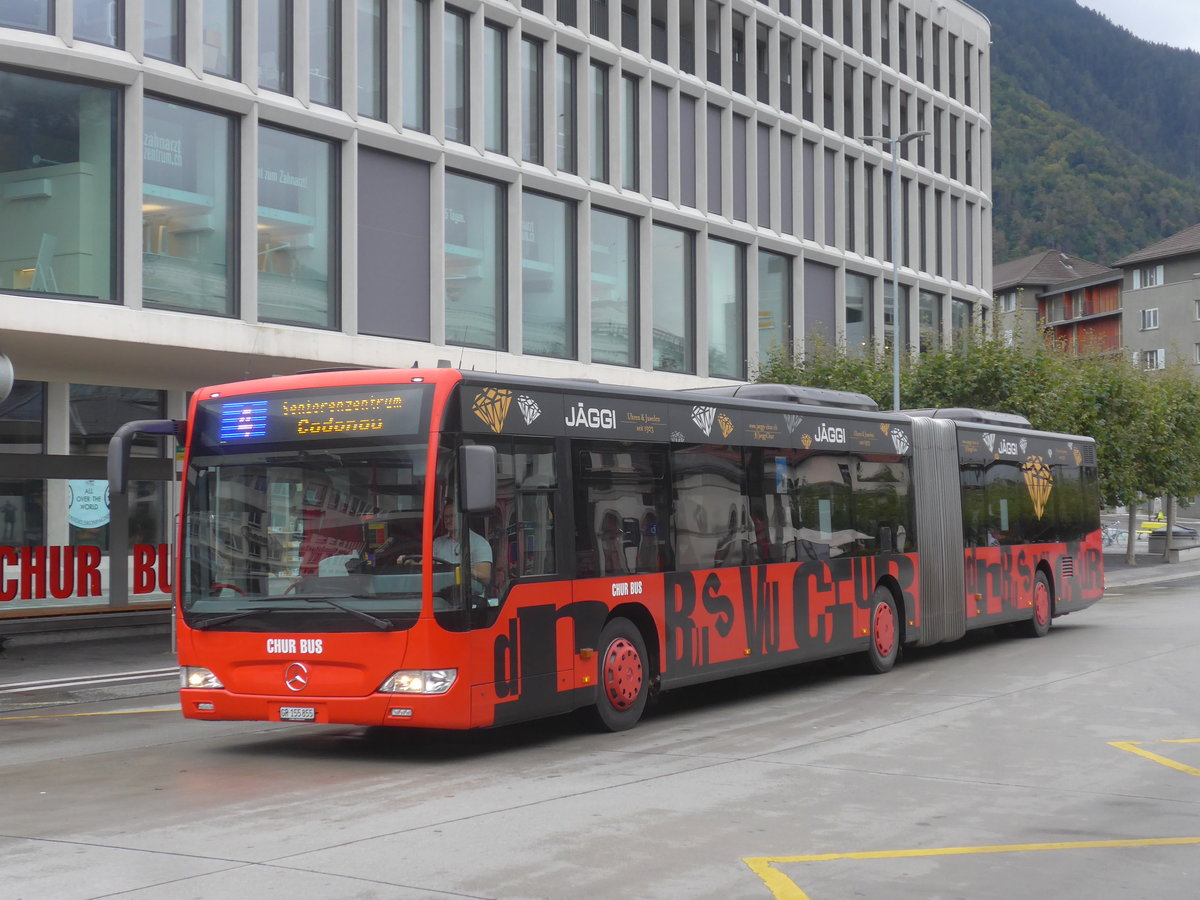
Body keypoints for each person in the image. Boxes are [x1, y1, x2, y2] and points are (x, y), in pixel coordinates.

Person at [432, 501, 493, 586]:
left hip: (469, 595)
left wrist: (464, 571)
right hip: (440, 593)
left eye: (452, 516)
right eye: (445, 517)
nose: (448, 520)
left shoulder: (479, 543)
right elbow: (424, 566)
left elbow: (485, 578)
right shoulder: (437, 543)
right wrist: (410, 563)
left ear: (462, 516)